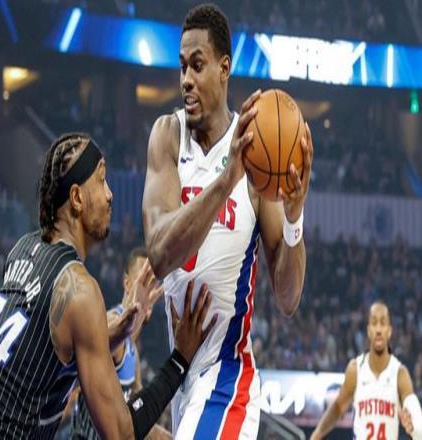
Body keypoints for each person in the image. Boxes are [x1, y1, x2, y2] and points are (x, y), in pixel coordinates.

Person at [0, 133, 215, 439]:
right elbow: (121, 433)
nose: (110, 195)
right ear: (76, 198)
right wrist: (180, 359)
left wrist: (123, 325)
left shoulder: (24, 248)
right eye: (101, 181)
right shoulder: (79, 289)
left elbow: (52, 344)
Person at [142, 4, 313, 439]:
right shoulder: (168, 135)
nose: (186, 79)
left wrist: (294, 219)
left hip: (227, 375)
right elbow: (159, 254)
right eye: (182, 67)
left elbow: (288, 298)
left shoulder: (256, 156)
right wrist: (225, 179)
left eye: (197, 65)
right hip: (182, 376)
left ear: (224, 68)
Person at [70, 247, 171, 439]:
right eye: (144, 282)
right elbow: (102, 336)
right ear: (127, 283)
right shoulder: (109, 322)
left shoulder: (133, 353)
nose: (149, 290)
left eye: (153, 284)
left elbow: (137, 418)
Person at [311, 301, 422, 439]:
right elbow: (338, 407)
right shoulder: (355, 369)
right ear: (369, 330)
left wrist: (414, 425)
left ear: (389, 331)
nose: (378, 329)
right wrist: (316, 435)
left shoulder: (400, 373)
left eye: (383, 323)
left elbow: (412, 411)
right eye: (374, 323)